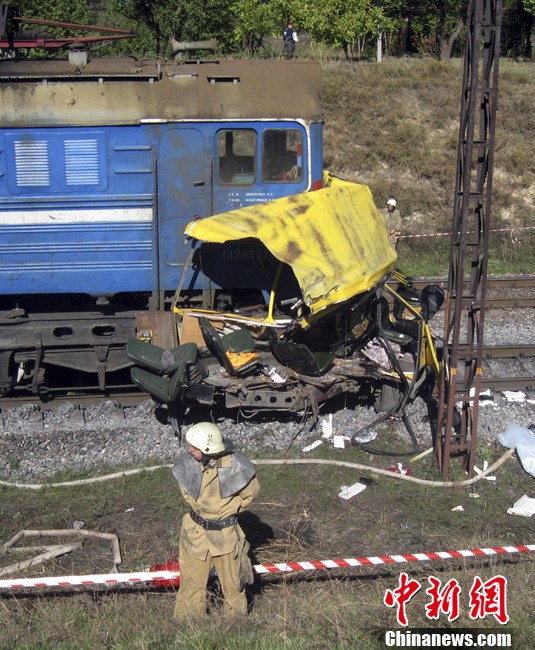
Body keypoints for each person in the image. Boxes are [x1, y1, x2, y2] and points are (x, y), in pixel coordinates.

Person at [172, 422, 260, 620]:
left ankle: (235, 624)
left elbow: (250, 495)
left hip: (225, 535)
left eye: (195, 448)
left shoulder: (238, 467)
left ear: (208, 449)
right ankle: (188, 623)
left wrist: (226, 511)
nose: (189, 450)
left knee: (234, 584)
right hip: (195, 533)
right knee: (191, 584)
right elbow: (186, 493)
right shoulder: (188, 464)